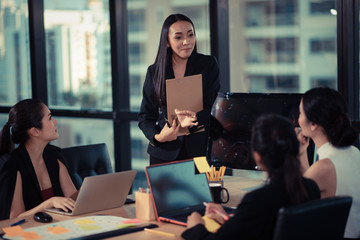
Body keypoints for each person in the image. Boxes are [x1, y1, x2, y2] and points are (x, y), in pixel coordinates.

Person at [182, 114, 320, 240]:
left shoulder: (258, 200)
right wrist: (229, 221)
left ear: (257, 156)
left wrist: (196, 226)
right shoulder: (311, 188)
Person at [138, 13, 220, 165]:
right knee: (163, 190)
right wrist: (159, 137)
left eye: (190, 35)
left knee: (204, 188)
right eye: (178, 37)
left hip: (200, 153)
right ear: (167, 42)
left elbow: (214, 106)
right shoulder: (154, 72)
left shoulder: (208, 64)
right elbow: (145, 117)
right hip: (163, 152)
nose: (186, 42)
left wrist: (194, 118)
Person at [297, 87, 360, 239]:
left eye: (300, 114)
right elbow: (311, 181)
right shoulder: (354, 152)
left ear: (313, 124)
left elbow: (294, 203)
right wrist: (301, 152)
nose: (298, 119)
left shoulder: (324, 167)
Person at [0, 99, 77, 219]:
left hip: (58, 227)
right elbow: (15, 218)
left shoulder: (55, 155)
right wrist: (49, 203)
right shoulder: (12, 165)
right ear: (35, 131)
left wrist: (90, 191)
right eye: (50, 118)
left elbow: (72, 197)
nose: (55, 122)